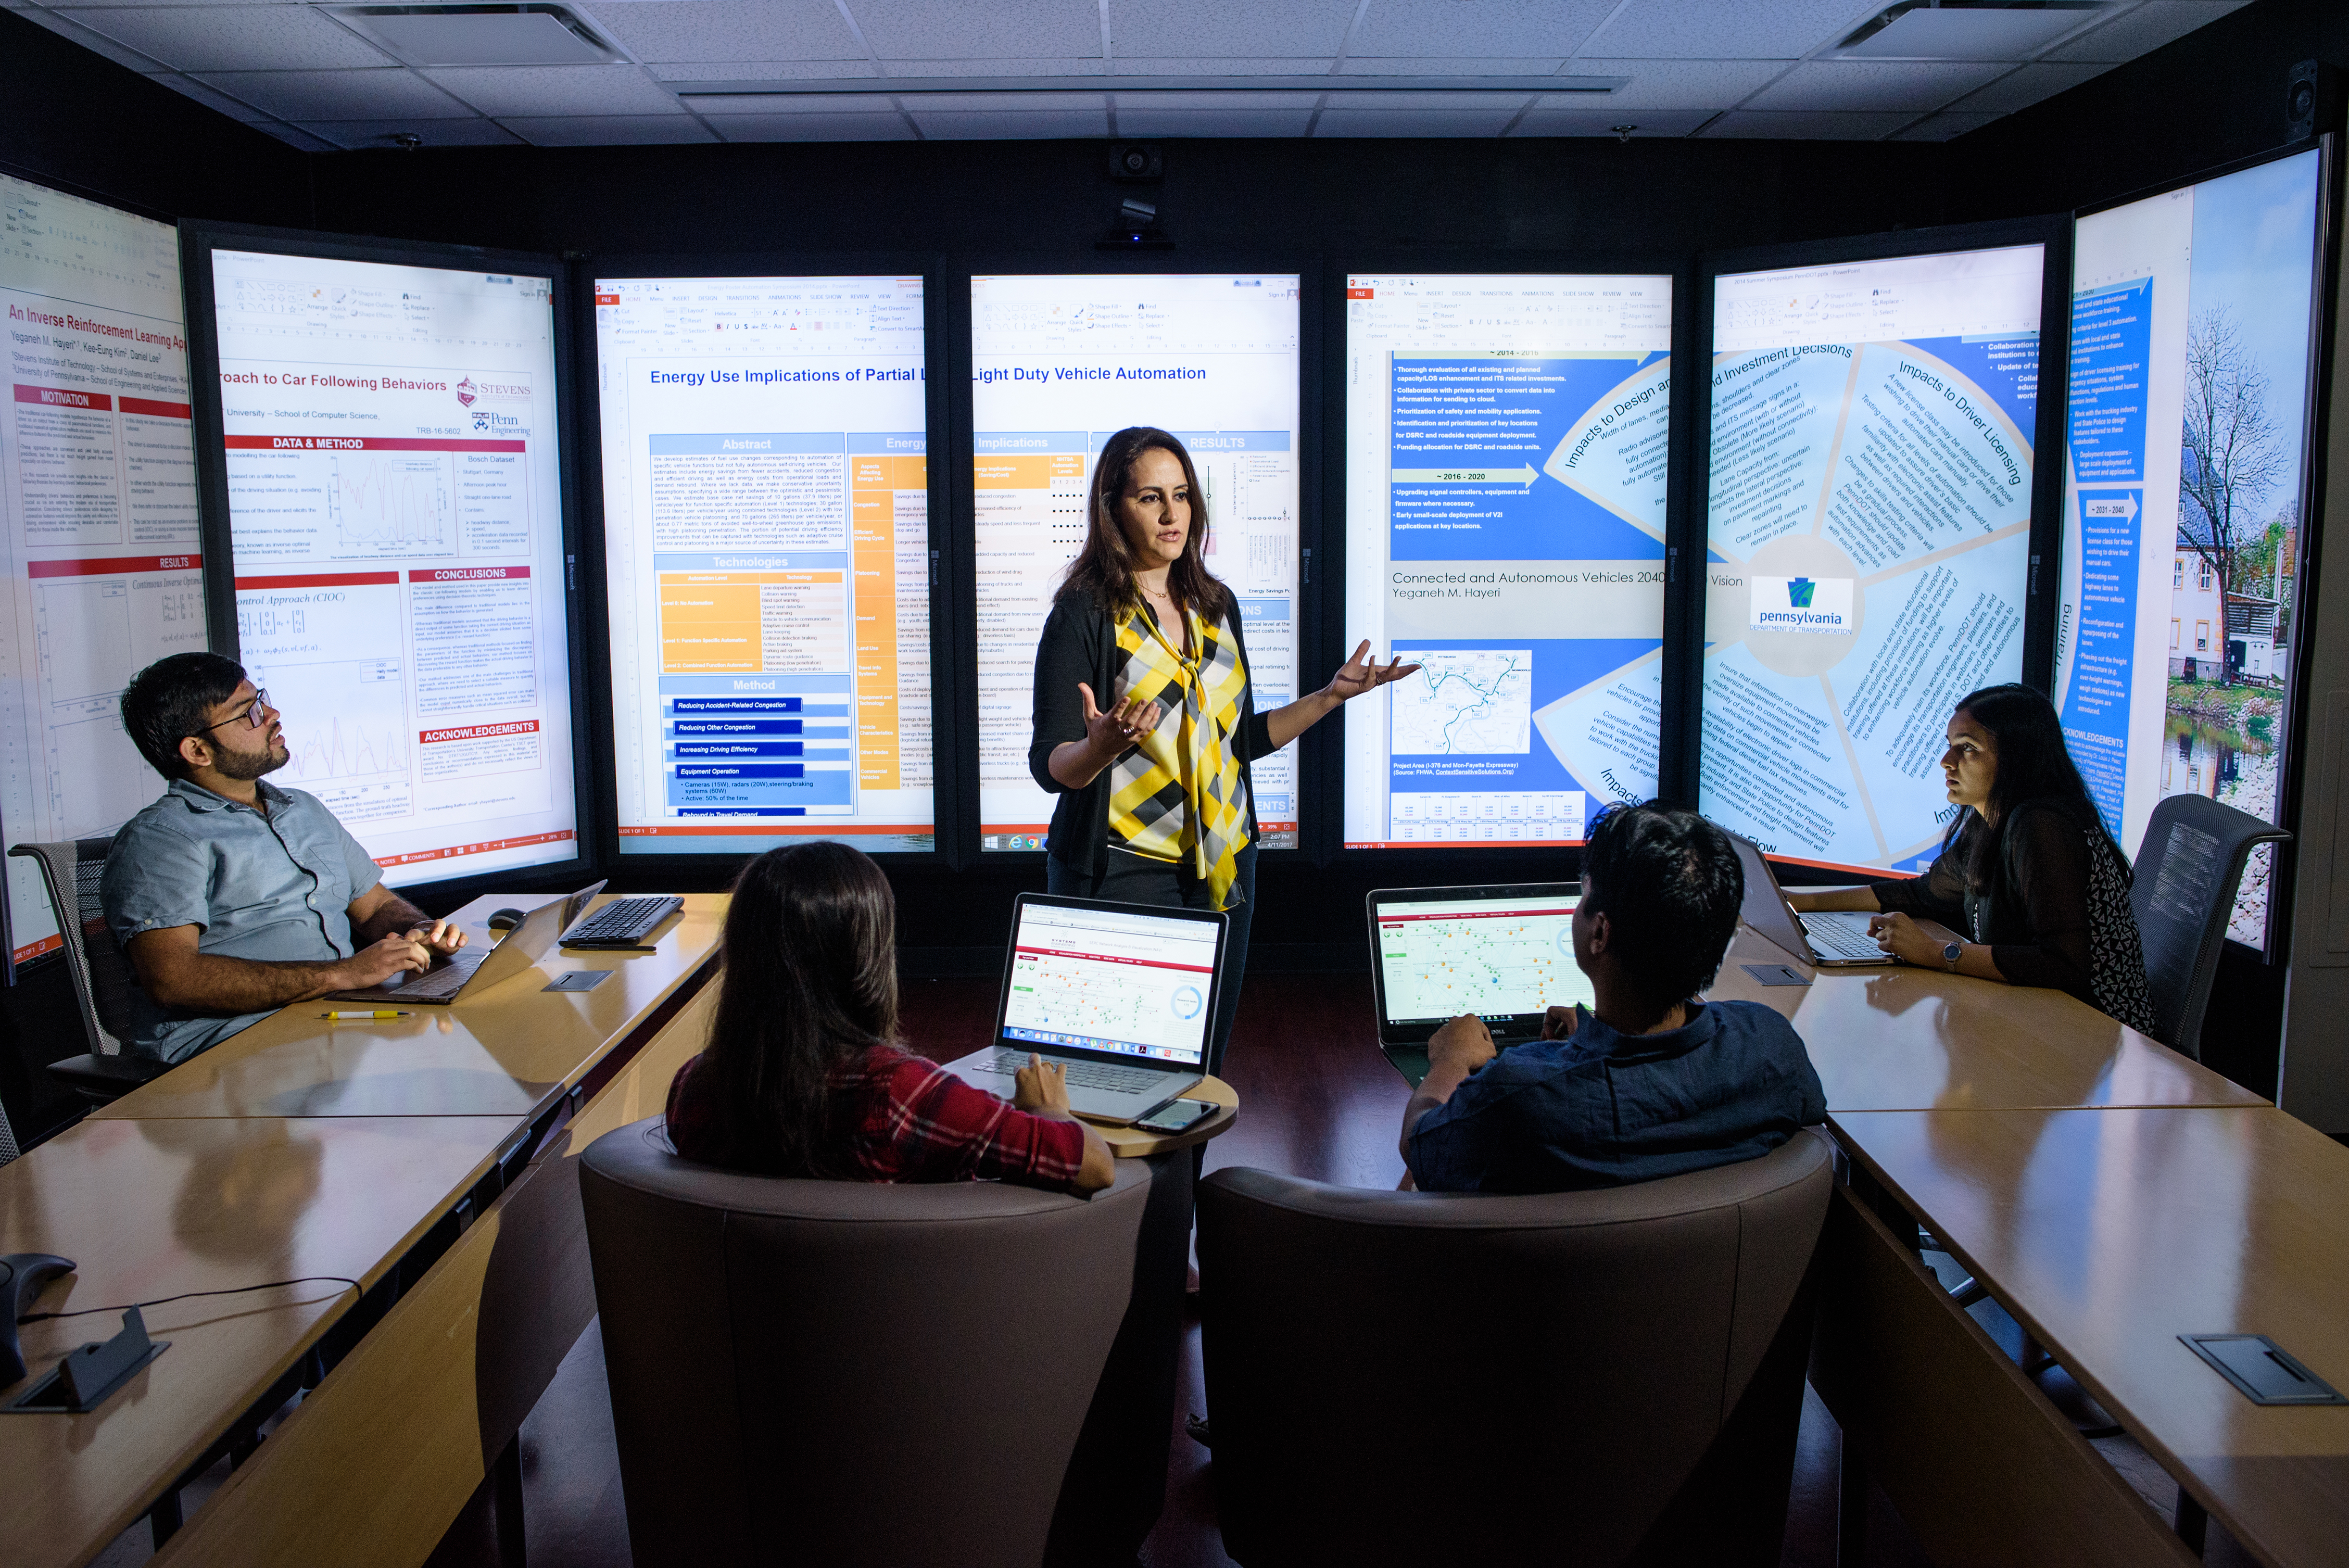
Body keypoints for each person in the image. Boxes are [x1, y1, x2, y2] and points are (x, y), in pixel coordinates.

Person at [1031, 425, 1417, 1071]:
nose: (1172, 513)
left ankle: (1191, 1177)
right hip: (1125, 870)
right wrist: (1100, 746)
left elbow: (1233, 745)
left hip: (1227, 866)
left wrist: (1328, 697)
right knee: (1126, 1075)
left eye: (1181, 495)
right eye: (1150, 497)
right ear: (1113, 507)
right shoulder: (1085, 611)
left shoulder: (1216, 604)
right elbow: (1052, 767)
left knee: (1201, 1070)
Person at [1400, 802, 1825, 1194]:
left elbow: (1419, 1142)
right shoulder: (1771, 1047)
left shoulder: (1519, 1101)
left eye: (1585, 893)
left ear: (1600, 932)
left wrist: (1451, 1060)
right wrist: (1587, 1043)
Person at [665, 841, 1116, 1195]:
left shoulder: (694, 1086)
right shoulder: (900, 1092)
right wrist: (1048, 1109)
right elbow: (1094, 1166)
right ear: (866, 960)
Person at [102, 653, 468, 1064]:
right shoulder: (160, 840)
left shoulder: (303, 809)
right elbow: (174, 980)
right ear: (198, 751)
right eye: (249, 713)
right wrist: (344, 974)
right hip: (232, 1049)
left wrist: (419, 931)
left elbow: (376, 906)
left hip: (336, 1022)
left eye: (261, 699)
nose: (273, 714)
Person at [1786, 682, 2157, 1031]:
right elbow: (1922, 894)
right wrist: (1802, 902)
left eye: (1967, 748)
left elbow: (2062, 965)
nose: (1947, 761)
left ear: (2016, 760)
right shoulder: (1990, 819)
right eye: (1950, 745)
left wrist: (1935, 953)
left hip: (2097, 1034)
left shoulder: (2041, 826)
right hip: (2036, 1018)